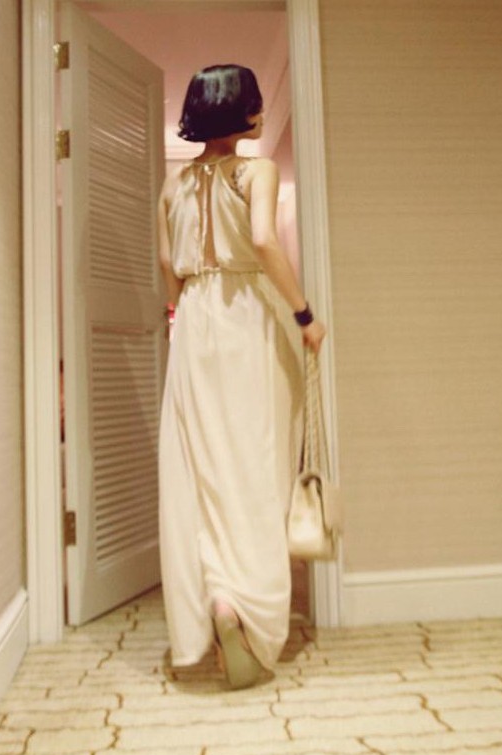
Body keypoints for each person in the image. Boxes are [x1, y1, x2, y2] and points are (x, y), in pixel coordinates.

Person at [157, 64, 326, 690]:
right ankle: (245, 610)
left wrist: (182, 314)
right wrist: (305, 314)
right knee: (254, 466)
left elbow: (168, 270)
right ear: (246, 112)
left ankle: (215, 598)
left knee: (200, 472)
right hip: (247, 318)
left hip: (193, 322)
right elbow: (263, 240)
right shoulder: (257, 172)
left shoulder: (174, 185)